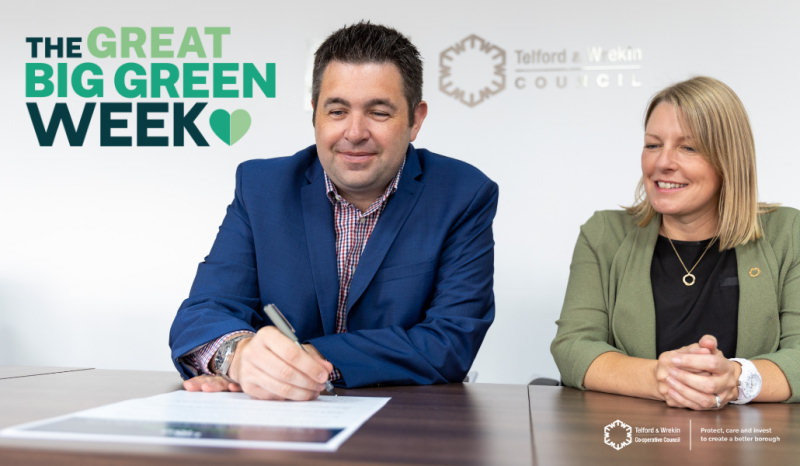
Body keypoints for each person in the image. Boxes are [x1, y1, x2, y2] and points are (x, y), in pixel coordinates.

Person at [169, 22, 498, 401]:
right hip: (274, 426)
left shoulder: (463, 194)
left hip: (400, 430)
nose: (355, 132)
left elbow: (450, 341)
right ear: (315, 115)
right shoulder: (261, 186)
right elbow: (203, 311)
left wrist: (306, 361)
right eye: (337, 111)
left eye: (378, 112)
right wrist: (237, 357)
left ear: (416, 119)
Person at [551, 76, 800, 410]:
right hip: (632, 445)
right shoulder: (604, 234)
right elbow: (574, 346)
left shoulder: (788, 232)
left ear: (729, 159)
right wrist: (662, 377)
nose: (662, 162)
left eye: (689, 147)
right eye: (653, 144)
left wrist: (736, 379)